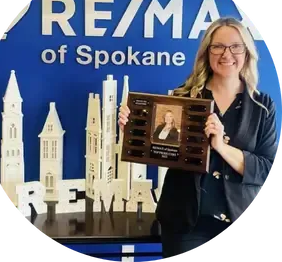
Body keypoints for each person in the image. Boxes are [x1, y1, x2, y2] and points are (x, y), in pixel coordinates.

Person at [118, 17, 278, 258]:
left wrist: (222, 147)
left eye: (236, 46)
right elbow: (162, 150)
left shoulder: (263, 106)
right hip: (186, 225)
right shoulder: (183, 97)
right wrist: (134, 129)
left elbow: (266, 168)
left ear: (246, 52)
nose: (227, 54)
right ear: (207, 52)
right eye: (218, 46)